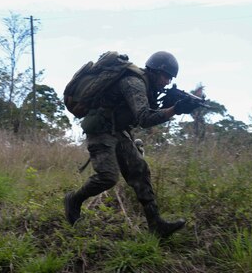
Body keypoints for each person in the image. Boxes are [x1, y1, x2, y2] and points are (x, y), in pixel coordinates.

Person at [64, 51, 200, 238]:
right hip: (100, 129)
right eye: (165, 76)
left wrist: (168, 105)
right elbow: (144, 118)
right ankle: (73, 200)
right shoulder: (134, 82)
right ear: (155, 70)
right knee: (108, 177)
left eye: (170, 78)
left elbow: (143, 111)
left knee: (139, 170)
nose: (167, 82)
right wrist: (175, 110)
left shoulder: (147, 86)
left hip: (118, 130)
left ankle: (156, 225)